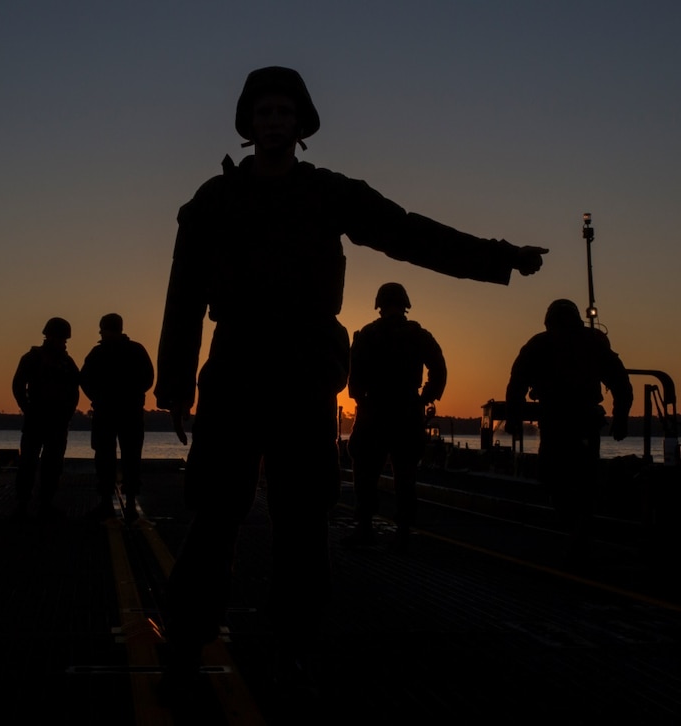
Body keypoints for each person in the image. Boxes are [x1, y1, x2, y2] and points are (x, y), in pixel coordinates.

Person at [154, 65, 548, 694]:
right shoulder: (214, 202)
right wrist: (174, 381)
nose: (273, 122)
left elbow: (411, 234)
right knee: (214, 512)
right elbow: (183, 296)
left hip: (307, 373)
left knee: (304, 513)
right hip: (234, 370)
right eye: (264, 113)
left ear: (301, 124)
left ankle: (295, 643)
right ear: (249, 124)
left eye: (284, 112)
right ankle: (185, 636)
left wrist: (498, 257)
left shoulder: (329, 194)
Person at [504, 299, 633, 562]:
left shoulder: (540, 344)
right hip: (579, 421)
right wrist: (620, 418)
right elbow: (621, 383)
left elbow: (516, 383)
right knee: (578, 480)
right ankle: (579, 529)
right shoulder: (593, 342)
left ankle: (576, 530)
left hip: (560, 422)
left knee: (557, 478)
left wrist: (514, 418)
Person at [343, 283, 446, 554]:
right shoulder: (419, 335)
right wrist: (426, 397)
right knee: (405, 476)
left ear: (379, 305)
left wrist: (361, 399)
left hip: (374, 410)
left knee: (365, 473)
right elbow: (438, 368)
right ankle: (402, 534)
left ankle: (365, 527)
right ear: (405, 305)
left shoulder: (367, 334)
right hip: (406, 411)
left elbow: (353, 376)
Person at [79, 313, 155, 523]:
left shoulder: (99, 352)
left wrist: (98, 397)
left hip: (110, 412)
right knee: (127, 457)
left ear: (108, 329)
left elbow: (84, 379)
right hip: (126, 412)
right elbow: (149, 378)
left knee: (109, 458)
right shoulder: (136, 350)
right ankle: (126, 504)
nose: (101, 333)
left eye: (102, 329)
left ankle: (111, 503)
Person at [11, 316, 80, 518]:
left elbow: (75, 389)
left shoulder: (67, 362)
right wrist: (28, 409)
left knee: (53, 465)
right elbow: (18, 386)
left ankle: (45, 503)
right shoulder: (32, 358)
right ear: (49, 336)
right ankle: (23, 503)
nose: (62, 342)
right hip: (37, 419)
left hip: (58, 421)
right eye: (60, 338)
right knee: (28, 463)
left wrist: (67, 413)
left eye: (64, 339)